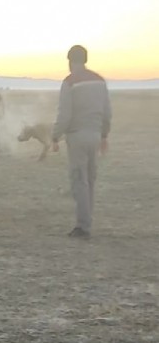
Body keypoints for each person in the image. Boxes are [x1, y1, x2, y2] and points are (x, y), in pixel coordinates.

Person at [51, 45, 112, 239]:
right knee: (91, 179)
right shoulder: (100, 81)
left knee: (79, 180)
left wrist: (55, 135)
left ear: (70, 61)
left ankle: (83, 226)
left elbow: (64, 114)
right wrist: (104, 135)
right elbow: (107, 111)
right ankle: (87, 220)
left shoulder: (69, 82)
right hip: (95, 134)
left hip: (77, 136)